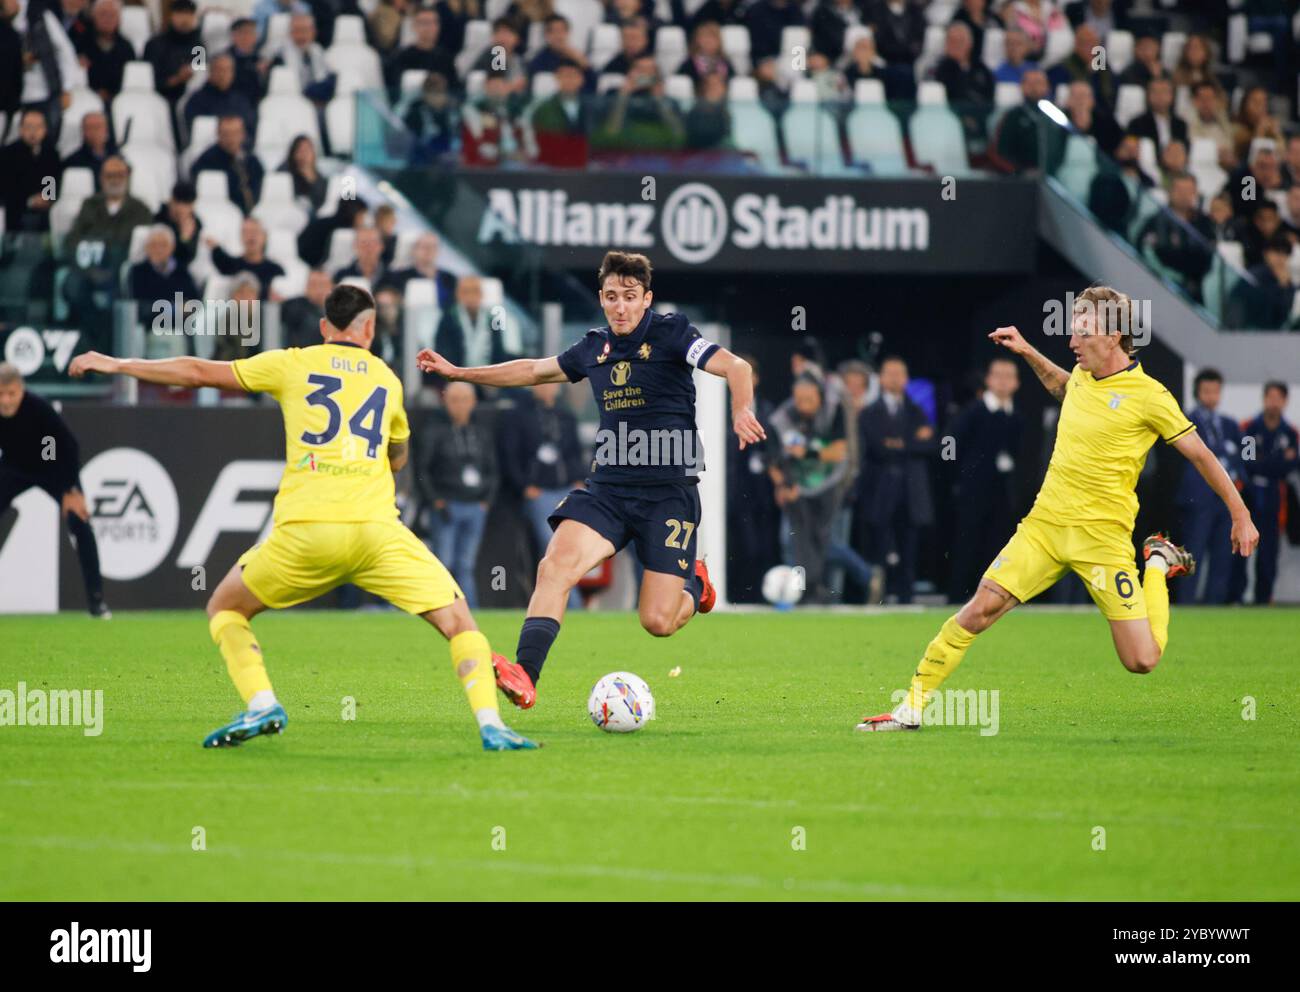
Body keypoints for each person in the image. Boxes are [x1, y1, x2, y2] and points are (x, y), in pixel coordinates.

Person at [68, 286, 538, 751]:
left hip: (307, 533)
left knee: (226, 608)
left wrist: (117, 363)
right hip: (377, 534)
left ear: (322, 328)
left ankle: (263, 702)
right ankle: (491, 725)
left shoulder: (291, 363)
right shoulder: (387, 379)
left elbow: (195, 371)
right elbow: (397, 460)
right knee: (461, 626)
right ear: (370, 328)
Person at [859, 286, 1259, 732]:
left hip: (1102, 541)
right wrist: (1027, 349)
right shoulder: (1083, 377)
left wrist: (1239, 514)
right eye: (1072, 329)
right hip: (1044, 528)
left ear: (1113, 336)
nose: (1072, 341)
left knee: (1142, 660)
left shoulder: (1150, 396)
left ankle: (1156, 566)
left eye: (1082, 331)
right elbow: (1063, 387)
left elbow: (1202, 455)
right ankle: (910, 708)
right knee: (978, 610)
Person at [417, 250, 764, 709]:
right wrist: (460, 372)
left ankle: (695, 585)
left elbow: (737, 367)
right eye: (612, 297)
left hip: (667, 497)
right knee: (554, 567)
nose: (621, 306)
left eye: (630, 297)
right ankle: (526, 673)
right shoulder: (592, 347)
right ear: (602, 299)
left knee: (658, 622)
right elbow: (532, 370)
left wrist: (741, 408)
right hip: (609, 492)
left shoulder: (672, 333)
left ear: (646, 299)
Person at [0, 362, 109, 618]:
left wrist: (71, 490)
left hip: (53, 468)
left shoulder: (38, 408)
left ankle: (97, 602)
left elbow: (69, 445)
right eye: (0, 394)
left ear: (21, 390)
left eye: (11, 393)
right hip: (13, 467)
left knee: (80, 522)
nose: (5, 400)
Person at [769, 374, 871, 604]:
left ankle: (829, 587)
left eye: (809, 399)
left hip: (829, 485)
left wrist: (807, 453)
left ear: (820, 397)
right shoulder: (782, 417)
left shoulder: (834, 411)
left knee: (822, 540)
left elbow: (838, 452)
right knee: (796, 542)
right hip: (795, 487)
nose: (803, 405)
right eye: (799, 399)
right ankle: (804, 593)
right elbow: (772, 460)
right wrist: (783, 485)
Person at [858, 355, 935, 604]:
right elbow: (876, 446)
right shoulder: (869, 412)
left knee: (909, 547)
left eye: (899, 373)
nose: (894, 378)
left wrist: (898, 444)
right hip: (879, 491)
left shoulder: (917, 411)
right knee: (878, 546)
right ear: (880, 378)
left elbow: (931, 445)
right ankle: (877, 595)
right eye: (889, 373)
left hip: (911, 492)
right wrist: (911, 442)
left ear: (907, 378)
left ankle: (906, 597)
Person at [947, 356, 1022, 603]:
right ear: (988, 380)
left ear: (1016, 383)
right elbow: (949, 442)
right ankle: (958, 596)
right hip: (973, 488)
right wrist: (955, 473)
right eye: (997, 376)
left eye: (1008, 376)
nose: (1002, 382)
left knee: (998, 544)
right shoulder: (973, 412)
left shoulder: (1016, 416)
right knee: (967, 541)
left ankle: (991, 599)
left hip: (1002, 489)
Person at [418, 381, 498, 607]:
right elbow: (423, 469)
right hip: (448, 505)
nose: (459, 406)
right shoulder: (435, 432)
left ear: (473, 403)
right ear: (445, 402)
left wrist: (486, 501)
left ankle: (470, 612)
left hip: (475, 506)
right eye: (454, 400)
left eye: (464, 400)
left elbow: (493, 469)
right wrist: (436, 501)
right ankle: (440, 610)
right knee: (444, 561)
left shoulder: (480, 433)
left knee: (466, 564)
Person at [1176, 369, 1243, 604]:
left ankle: (1216, 605)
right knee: (1193, 553)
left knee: (1223, 555)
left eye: (1215, 391)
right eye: (1206, 391)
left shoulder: (1231, 424)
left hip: (1224, 501)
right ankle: (1185, 603)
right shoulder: (1185, 420)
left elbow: (1248, 450)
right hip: (1198, 499)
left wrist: (1241, 471)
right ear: (1197, 392)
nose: (1211, 396)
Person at [1238, 382, 1297, 605]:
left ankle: (1264, 599)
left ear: (1285, 401)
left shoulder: (1290, 433)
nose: (1273, 402)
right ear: (1264, 399)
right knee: (1241, 547)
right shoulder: (1250, 428)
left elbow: (1291, 466)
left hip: (1275, 497)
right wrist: (1278, 460)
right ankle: (1237, 596)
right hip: (1250, 494)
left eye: (1278, 398)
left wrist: (1270, 462)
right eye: (1270, 397)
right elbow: (1249, 462)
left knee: (1269, 551)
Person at [192, 115, 265, 214]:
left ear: (243, 134)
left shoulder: (252, 161)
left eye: (235, 133)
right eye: (226, 134)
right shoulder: (207, 162)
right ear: (218, 134)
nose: (231, 139)